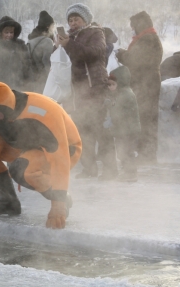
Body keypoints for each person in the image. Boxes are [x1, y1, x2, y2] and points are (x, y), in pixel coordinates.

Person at [0, 81, 82, 229]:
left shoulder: (43, 113)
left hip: (66, 149)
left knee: (22, 169)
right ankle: (8, 201)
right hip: (28, 146)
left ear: (6, 109)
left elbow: (60, 158)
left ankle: (63, 199)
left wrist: (58, 203)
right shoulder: (0, 112)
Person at [58, 3, 118, 181]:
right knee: (82, 132)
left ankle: (110, 170)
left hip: (95, 88)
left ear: (85, 20)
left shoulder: (96, 33)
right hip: (77, 93)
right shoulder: (69, 37)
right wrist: (59, 46)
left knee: (101, 130)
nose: (72, 22)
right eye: (70, 20)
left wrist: (70, 44)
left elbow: (94, 53)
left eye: (76, 19)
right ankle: (89, 168)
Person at [116, 11, 163, 165]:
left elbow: (135, 59)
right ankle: (145, 153)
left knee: (146, 118)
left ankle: (147, 154)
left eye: (133, 26)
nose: (132, 29)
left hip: (147, 84)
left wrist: (121, 54)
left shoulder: (147, 39)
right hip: (146, 82)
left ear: (139, 24)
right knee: (144, 117)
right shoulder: (148, 38)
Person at [105, 66, 141, 182]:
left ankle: (131, 173)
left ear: (120, 83)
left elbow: (118, 113)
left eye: (112, 84)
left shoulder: (125, 94)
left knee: (126, 152)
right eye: (109, 85)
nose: (110, 87)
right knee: (123, 152)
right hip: (123, 130)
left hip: (128, 130)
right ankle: (128, 171)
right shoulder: (121, 93)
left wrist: (110, 113)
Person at [26, 10, 55, 93]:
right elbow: (48, 65)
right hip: (43, 81)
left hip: (31, 80)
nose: (53, 27)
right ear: (47, 26)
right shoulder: (47, 41)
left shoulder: (30, 40)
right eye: (53, 25)